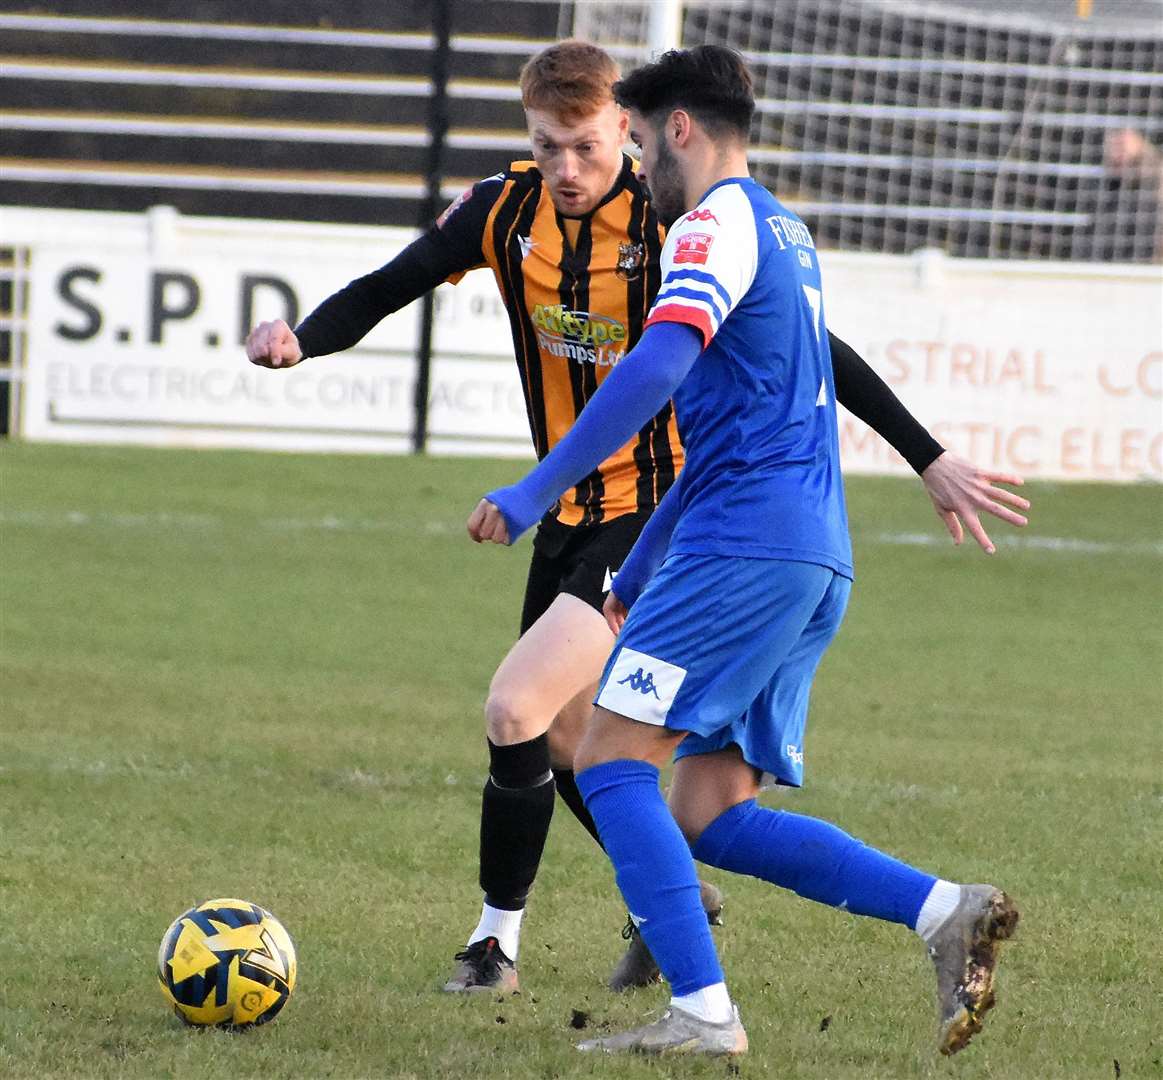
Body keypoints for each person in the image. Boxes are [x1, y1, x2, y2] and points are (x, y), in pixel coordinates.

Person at [246, 40, 1028, 998]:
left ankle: (500, 948)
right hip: (578, 518)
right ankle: (681, 907)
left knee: (518, 711)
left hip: (659, 516)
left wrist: (925, 452)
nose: (564, 169)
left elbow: (806, 342)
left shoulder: (676, 221)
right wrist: (302, 339)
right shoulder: (504, 209)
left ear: (630, 128)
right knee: (574, 747)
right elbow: (389, 283)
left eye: (582, 145)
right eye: (545, 147)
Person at [469, 45, 1022, 1057]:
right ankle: (945, 910)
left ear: (677, 127)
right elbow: (724, 431)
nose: (636, 166)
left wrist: (535, 486)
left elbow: (653, 367)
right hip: (807, 556)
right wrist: (629, 581)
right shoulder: (782, 228)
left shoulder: (710, 225)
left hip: (744, 552)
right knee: (708, 808)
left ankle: (703, 1014)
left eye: (636, 141)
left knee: (608, 758)